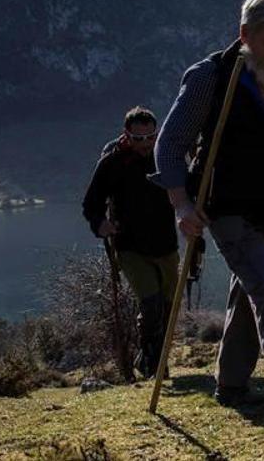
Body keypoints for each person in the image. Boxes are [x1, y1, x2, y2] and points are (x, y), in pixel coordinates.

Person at [148, 0, 264, 437]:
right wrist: (182, 205)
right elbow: (169, 145)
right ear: (245, 34)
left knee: (253, 292)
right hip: (228, 208)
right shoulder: (210, 78)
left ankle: (230, 385)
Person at [82, 106, 179, 379]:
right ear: (127, 136)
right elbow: (91, 203)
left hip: (167, 245)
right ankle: (156, 366)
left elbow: (188, 188)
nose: (146, 143)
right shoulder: (112, 163)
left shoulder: (167, 155)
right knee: (151, 302)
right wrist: (100, 224)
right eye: (139, 139)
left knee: (168, 308)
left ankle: (149, 357)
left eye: (150, 137)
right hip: (130, 247)